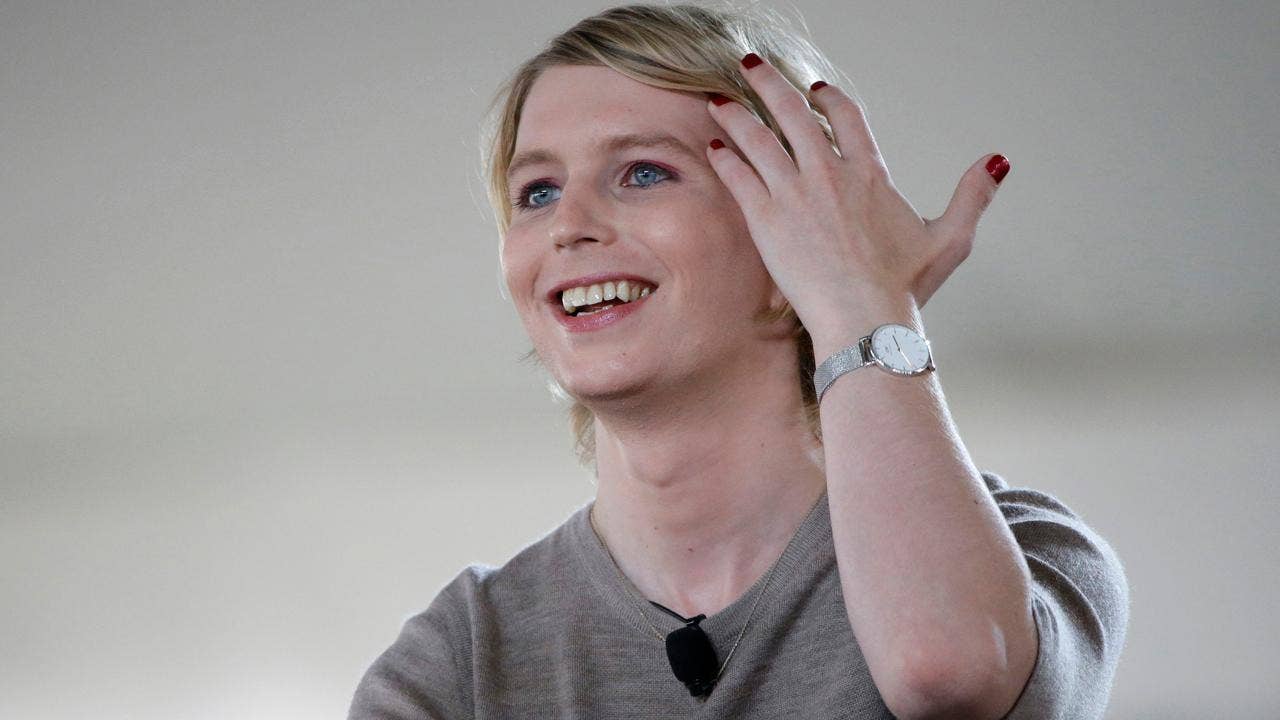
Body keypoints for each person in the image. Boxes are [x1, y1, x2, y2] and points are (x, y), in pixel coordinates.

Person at [348, 3, 1129, 718]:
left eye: (643, 173)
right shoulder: (459, 660)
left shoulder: (1028, 558)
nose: (567, 225)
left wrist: (865, 307)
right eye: (538, 192)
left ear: (798, 234)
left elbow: (946, 675)